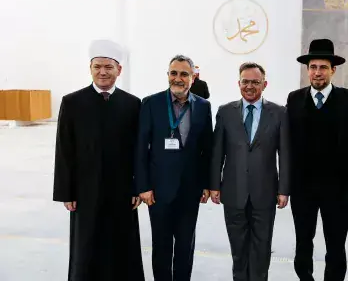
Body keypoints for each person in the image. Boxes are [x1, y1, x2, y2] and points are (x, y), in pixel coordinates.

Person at [53, 39, 145, 281]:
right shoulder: (72, 102)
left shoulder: (132, 104)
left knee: (121, 245)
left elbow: (138, 150)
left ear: (119, 70)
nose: (102, 72)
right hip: (85, 191)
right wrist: (66, 192)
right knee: (86, 246)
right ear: (90, 69)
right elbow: (64, 149)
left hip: (122, 190)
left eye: (108, 67)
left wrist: (138, 186)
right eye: (97, 66)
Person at [286, 39, 348, 281]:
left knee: (336, 245)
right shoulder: (294, 99)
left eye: (322, 67)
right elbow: (288, 144)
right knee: (303, 242)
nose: (317, 72)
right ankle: (305, 277)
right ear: (308, 70)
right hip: (303, 189)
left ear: (333, 70)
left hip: (337, 190)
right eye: (313, 67)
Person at [135, 54, 213, 281]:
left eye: (184, 74)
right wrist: (143, 185)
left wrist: (207, 184)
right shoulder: (151, 103)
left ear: (193, 77)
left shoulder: (203, 106)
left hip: (190, 189)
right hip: (158, 190)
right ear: (168, 75)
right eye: (173, 73)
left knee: (186, 246)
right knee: (161, 245)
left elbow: (207, 148)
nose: (178, 78)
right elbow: (141, 147)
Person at [210, 62, 291, 281]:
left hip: (265, 193)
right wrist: (214, 185)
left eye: (255, 82)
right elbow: (217, 151)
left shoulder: (279, 113)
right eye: (245, 81)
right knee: (238, 250)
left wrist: (284, 189)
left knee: (261, 249)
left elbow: (284, 153)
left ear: (264, 84)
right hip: (233, 192)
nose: (250, 86)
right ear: (238, 83)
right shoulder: (225, 112)